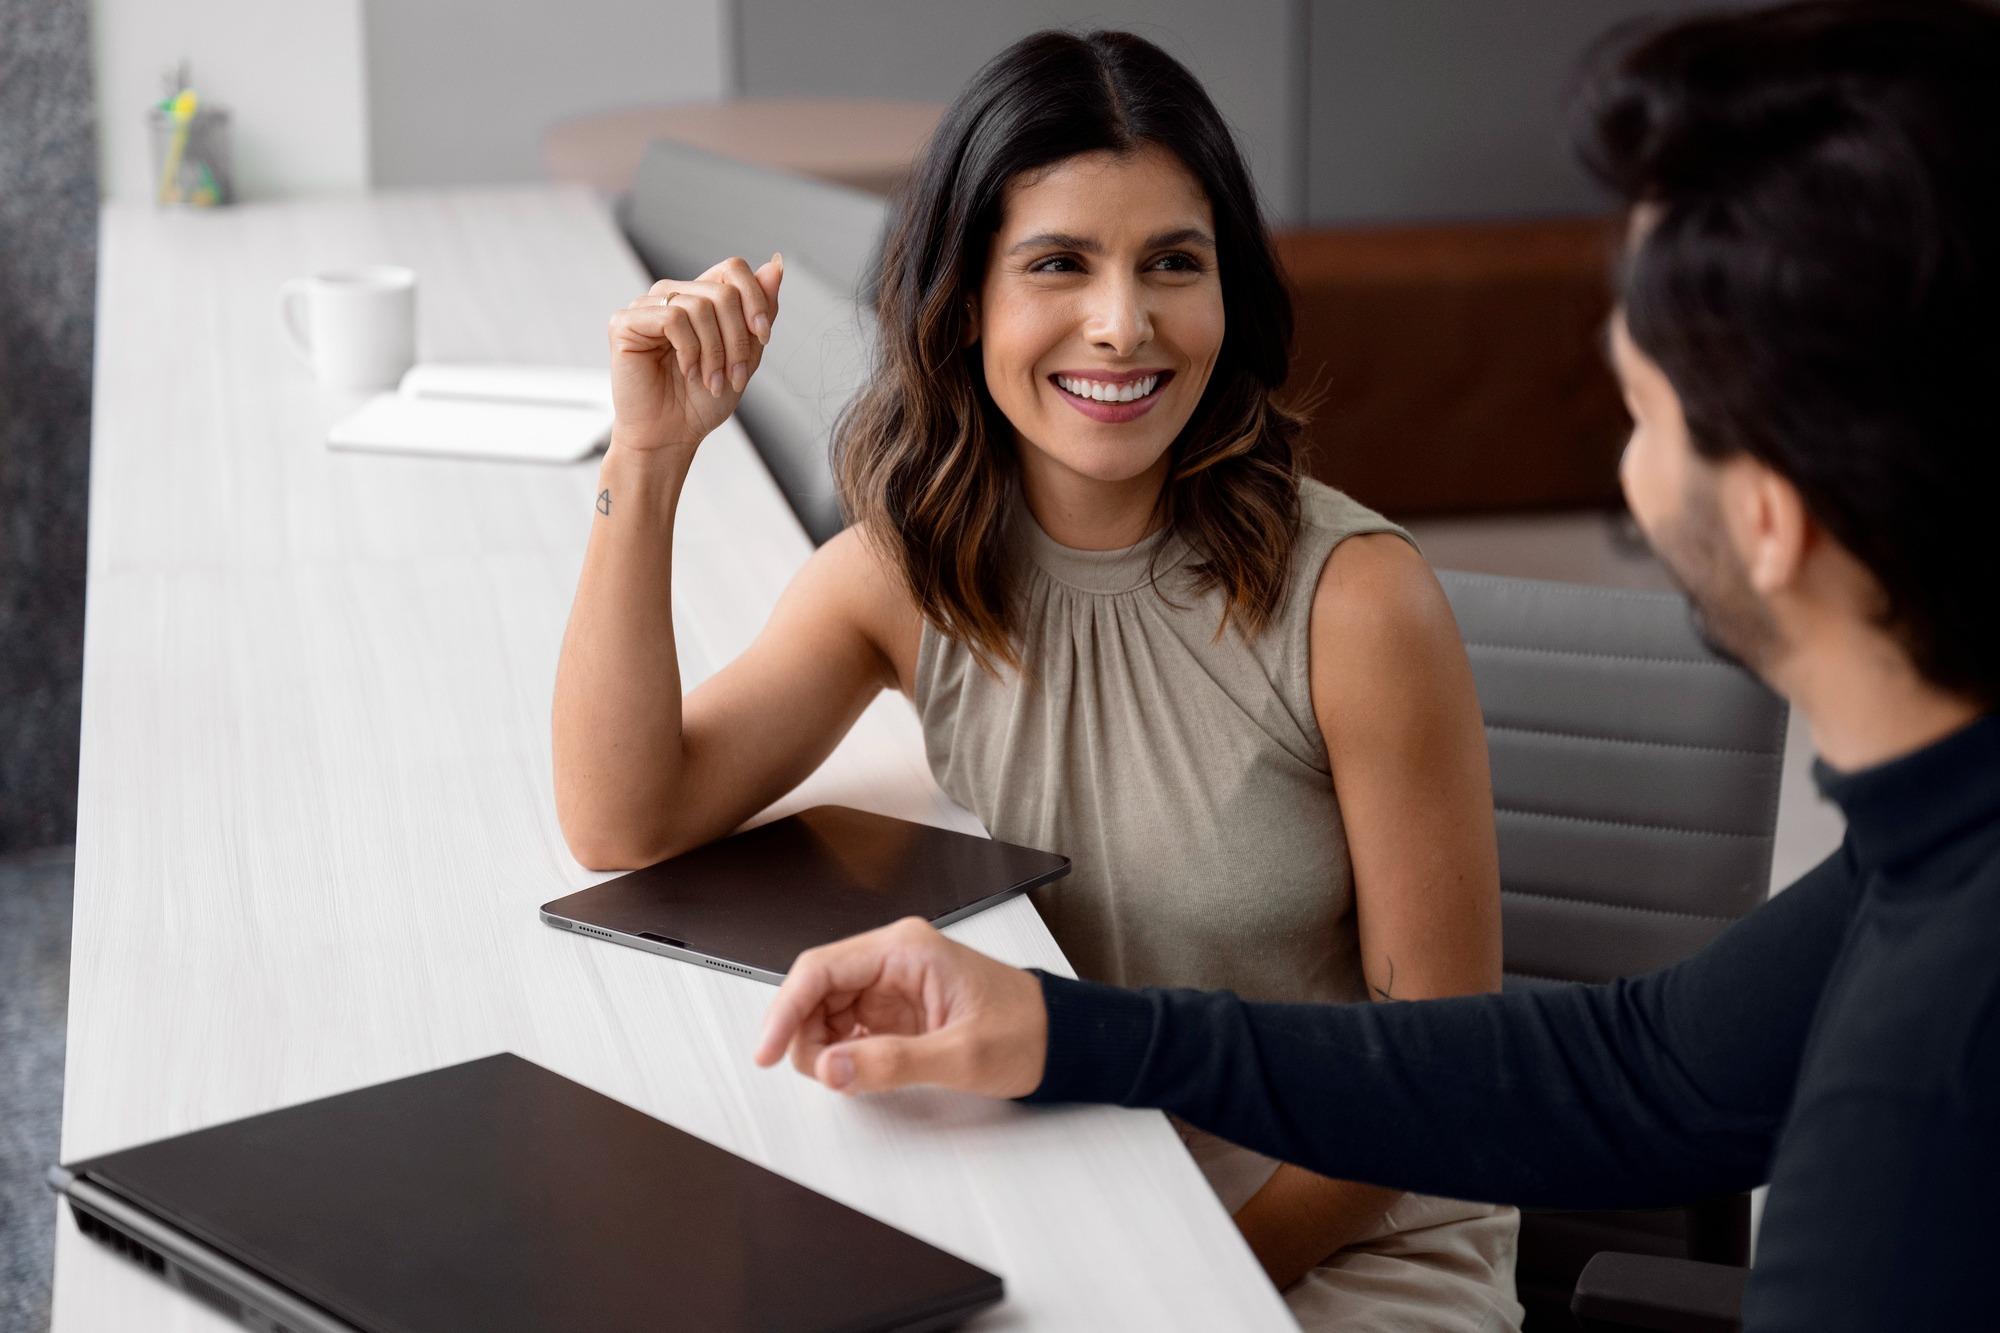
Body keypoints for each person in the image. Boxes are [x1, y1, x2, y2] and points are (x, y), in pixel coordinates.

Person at [751, 2, 2000, 1329]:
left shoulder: (1917, 1106)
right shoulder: (1926, 855)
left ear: (1769, 516)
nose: (1621, 473)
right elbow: (1654, 1071)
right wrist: (1070, 1032)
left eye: (1637, 410)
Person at [555, 26, 1524, 1332]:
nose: (1122, 324)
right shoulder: (911, 571)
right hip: (1086, 1177)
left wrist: (1186, 1271)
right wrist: (652, 456)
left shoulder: (1354, 599)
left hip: (1340, 1231)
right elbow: (627, 815)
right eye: (1059, 265)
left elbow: (1435, 1086)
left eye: (1173, 264)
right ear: (967, 303)